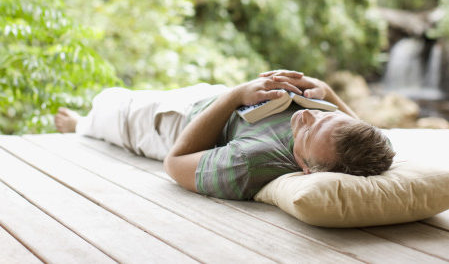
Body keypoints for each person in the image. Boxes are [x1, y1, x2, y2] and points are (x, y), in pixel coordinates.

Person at [55, 70, 395, 200]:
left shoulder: (250, 163)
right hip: (216, 98)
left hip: (166, 124)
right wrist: (326, 94)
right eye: (323, 117)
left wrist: (234, 96)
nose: (306, 115)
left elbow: (174, 164)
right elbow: (364, 129)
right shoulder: (351, 142)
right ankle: (84, 122)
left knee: (107, 102)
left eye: (307, 131)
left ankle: (79, 125)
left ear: (306, 168)